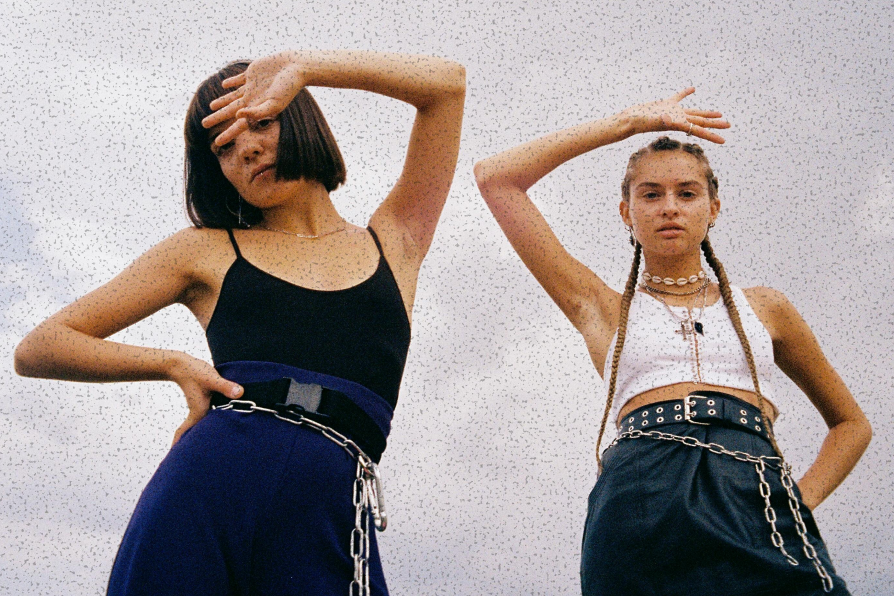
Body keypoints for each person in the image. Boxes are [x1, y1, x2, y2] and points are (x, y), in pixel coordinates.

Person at [14, 49, 465, 596]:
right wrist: (173, 364)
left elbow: (446, 87)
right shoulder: (205, 252)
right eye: (224, 148)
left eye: (263, 122)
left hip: (331, 509)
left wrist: (306, 67)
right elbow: (40, 347)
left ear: (298, 116)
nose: (248, 149)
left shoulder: (396, 239)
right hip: (208, 487)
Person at [473, 88, 870, 595]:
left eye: (687, 193)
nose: (669, 208)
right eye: (651, 194)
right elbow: (497, 179)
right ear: (626, 212)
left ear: (713, 208)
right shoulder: (601, 307)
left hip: (757, 493)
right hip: (640, 497)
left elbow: (851, 424)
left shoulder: (766, 308)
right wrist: (629, 122)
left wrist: (798, 499)